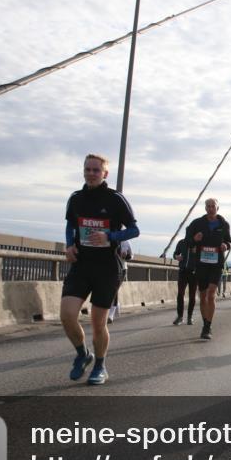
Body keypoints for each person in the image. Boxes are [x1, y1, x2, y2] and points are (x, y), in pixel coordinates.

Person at [61, 154, 139, 385]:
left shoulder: (115, 199)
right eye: (88, 169)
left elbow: (134, 230)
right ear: (83, 171)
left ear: (105, 174)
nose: (91, 173)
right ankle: (83, 354)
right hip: (81, 264)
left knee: (98, 323)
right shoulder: (75, 198)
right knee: (66, 315)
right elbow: (70, 225)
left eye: (96, 170)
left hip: (107, 267)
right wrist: (68, 245)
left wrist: (109, 236)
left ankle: (100, 365)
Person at [187, 198, 231, 340]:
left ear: (218, 208)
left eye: (213, 206)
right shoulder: (197, 223)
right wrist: (195, 239)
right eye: (208, 206)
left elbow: (228, 241)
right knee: (203, 295)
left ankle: (207, 327)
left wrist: (225, 245)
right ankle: (205, 322)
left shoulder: (224, 224)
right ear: (205, 208)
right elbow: (187, 241)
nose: (211, 208)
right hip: (202, 263)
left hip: (216, 263)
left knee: (212, 293)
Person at [172, 236, 197, 326]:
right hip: (183, 271)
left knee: (192, 295)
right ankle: (180, 317)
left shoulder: (198, 243)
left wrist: (197, 252)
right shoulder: (181, 242)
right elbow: (175, 254)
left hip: (194, 273)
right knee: (180, 294)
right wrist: (176, 256)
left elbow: (203, 256)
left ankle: (189, 317)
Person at [108, 240, 132, 324]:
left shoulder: (126, 242)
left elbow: (131, 256)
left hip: (122, 269)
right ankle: (116, 304)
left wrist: (126, 256)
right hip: (109, 268)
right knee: (110, 290)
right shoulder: (109, 238)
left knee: (115, 289)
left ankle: (111, 314)